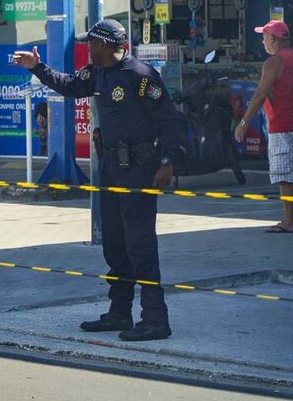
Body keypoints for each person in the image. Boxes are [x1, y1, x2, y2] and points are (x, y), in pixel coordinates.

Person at [12, 19, 182, 342]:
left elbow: (169, 121)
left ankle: (155, 318)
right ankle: (120, 312)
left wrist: (168, 163)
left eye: (90, 43)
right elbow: (68, 85)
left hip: (139, 170)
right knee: (115, 243)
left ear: (104, 44)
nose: (86, 48)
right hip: (110, 169)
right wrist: (37, 68)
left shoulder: (141, 77)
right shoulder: (97, 73)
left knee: (140, 244)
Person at [235, 20, 293, 233]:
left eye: (264, 37)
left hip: (282, 126)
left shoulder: (274, 62)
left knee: (286, 175)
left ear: (273, 38)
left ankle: (289, 221)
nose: (263, 42)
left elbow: (260, 94)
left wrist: (243, 122)